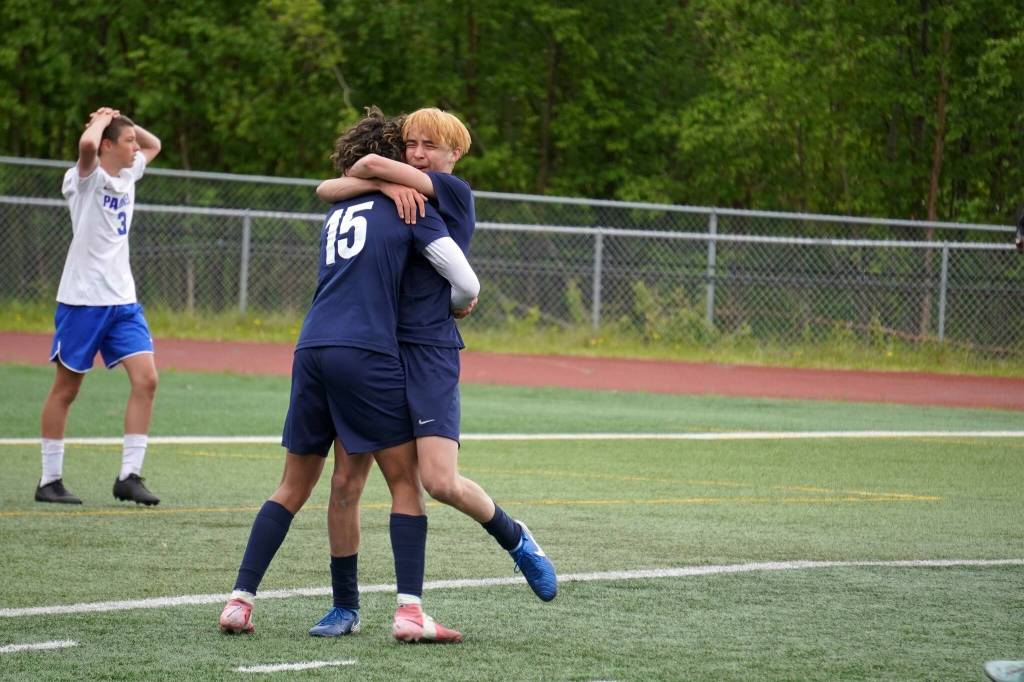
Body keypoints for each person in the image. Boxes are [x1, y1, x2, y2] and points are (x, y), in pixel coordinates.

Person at [218, 107, 479, 643]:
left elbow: (326, 188)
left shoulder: (342, 207)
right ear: (389, 156)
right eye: (408, 147)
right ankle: (409, 612)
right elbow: (464, 279)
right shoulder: (411, 207)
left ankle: (241, 601)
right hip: (365, 350)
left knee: (302, 485)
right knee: (405, 482)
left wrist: (369, 179)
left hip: (310, 344)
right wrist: (459, 303)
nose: (416, 157)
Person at [309, 108, 557, 641]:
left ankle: (516, 538)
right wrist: (378, 183)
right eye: (412, 144)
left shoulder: (451, 191)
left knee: (438, 481)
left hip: (430, 352)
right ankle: (344, 606)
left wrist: (456, 301)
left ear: (454, 155)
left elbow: (467, 283)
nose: (418, 154)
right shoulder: (396, 194)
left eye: (429, 146)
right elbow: (326, 187)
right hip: (376, 351)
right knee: (347, 480)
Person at [35, 107, 162, 506]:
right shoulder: (85, 179)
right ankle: (49, 480)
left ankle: (129, 475)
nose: (135, 148)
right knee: (67, 389)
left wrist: (122, 119)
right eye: (126, 142)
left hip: (123, 301)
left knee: (147, 380)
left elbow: (153, 143)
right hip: (83, 301)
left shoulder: (128, 175)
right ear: (108, 145)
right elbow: (87, 144)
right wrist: (101, 119)